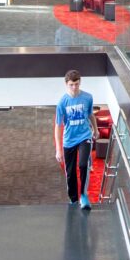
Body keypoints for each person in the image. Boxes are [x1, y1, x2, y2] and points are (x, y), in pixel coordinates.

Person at [54, 69, 95, 209]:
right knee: (70, 173)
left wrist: (95, 130)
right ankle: (73, 200)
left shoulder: (88, 97)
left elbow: (91, 115)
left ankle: (83, 195)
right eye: (71, 84)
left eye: (77, 84)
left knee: (83, 165)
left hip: (85, 136)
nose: (74, 87)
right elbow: (58, 126)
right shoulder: (62, 102)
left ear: (80, 82)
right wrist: (58, 149)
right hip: (69, 140)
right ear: (66, 84)